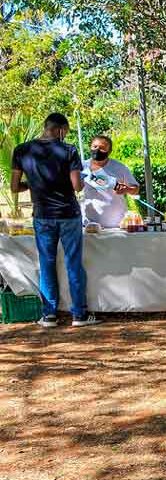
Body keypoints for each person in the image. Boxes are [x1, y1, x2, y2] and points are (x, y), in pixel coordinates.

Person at [10, 112, 99, 328]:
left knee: (47, 263)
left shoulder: (22, 150)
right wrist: (81, 181)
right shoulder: (68, 150)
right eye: (65, 132)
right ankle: (79, 315)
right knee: (73, 263)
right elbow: (77, 186)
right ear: (60, 130)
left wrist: (34, 185)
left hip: (42, 215)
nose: (65, 136)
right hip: (68, 214)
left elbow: (14, 187)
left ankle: (49, 315)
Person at [81, 135, 140, 230]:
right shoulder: (82, 167)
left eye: (102, 148)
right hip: (90, 225)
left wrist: (127, 189)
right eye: (95, 146)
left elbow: (136, 189)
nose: (97, 150)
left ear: (109, 151)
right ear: (90, 147)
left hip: (116, 225)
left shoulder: (120, 168)